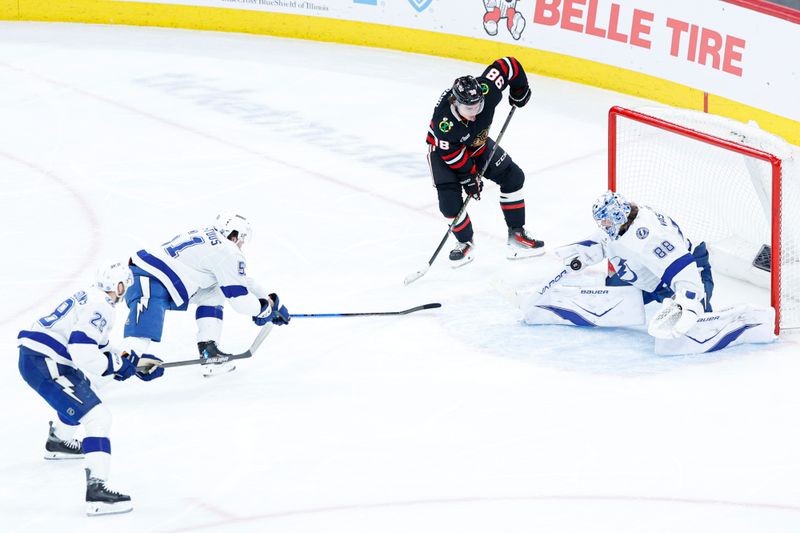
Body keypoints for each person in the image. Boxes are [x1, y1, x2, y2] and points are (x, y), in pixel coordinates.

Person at [522, 191, 775, 354]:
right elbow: (604, 240)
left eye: (605, 221)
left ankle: (735, 323)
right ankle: (637, 299)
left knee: (696, 316)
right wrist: (583, 255)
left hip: (687, 269)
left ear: (617, 215)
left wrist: (689, 300)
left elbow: (683, 270)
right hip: (647, 275)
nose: (603, 225)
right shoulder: (621, 223)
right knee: (615, 291)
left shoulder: (650, 237)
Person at [17, 261, 165, 516]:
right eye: (126, 287)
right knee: (98, 417)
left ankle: (59, 441)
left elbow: (100, 350)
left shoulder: (91, 297)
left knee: (82, 391)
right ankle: (97, 492)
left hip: (44, 359)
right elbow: (84, 352)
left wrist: (135, 365)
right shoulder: (102, 305)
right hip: (46, 363)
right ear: (119, 286)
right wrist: (118, 366)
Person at [123, 210, 290, 377]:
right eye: (242, 238)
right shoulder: (228, 251)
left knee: (216, 289)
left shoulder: (210, 238)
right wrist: (263, 310)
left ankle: (209, 350)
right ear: (233, 236)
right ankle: (113, 366)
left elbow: (240, 282)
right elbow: (240, 301)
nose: (242, 243)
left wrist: (269, 302)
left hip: (155, 276)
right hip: (150, 278)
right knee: (137, 343)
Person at [425, 56, 545, 267]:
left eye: (477, 106)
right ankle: (465, 242)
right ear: (455, 103)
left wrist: (520, 90)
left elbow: (508, 65)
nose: (474, 113)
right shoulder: (444, 123)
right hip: (444, 154)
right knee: (449, 205)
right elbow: (452, 156)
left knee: (513, 177)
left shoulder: (486, 90)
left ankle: (516, 236)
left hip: (477, 144)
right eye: (468, 109)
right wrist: (469, 178)